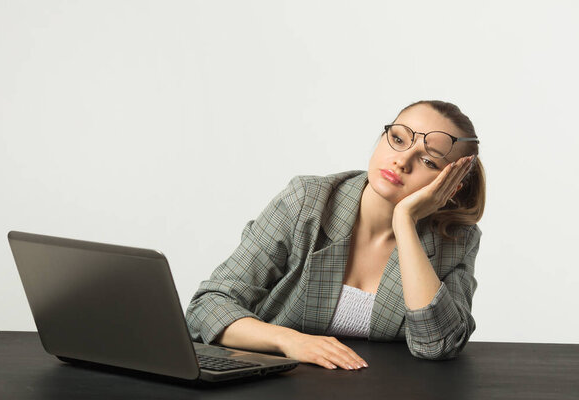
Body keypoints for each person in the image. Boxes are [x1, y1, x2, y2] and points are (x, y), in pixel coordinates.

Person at [185, 100, 485, 370]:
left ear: (452, 185)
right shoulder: (306, 201)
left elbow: (438, 345)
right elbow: (207, 306)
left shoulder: (456, 240)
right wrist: (290, 342)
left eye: (428, 161)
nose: (402, 161)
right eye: (397, 139)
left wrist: (404, 221)